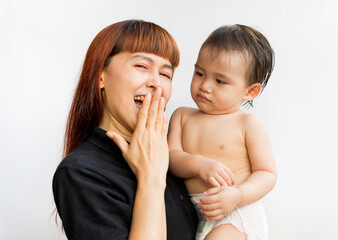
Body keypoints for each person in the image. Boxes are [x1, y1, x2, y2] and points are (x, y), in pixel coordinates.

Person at [53, 20, 198, 240]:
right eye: (142, 66)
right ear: (101, 75)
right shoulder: (81, 172)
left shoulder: (174, 157)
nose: (156, 83)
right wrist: (151, 178)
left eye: (166, 75)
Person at [167, 24, 277, 240]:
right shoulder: (182, 116)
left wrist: (237, 195)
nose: (205, 85)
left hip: (235, 214)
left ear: (249, 91)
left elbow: (267, 174)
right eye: (199, 73)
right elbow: (170, 158)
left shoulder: (247, 124)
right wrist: (200, 165)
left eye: (220, 81)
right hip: (197, 215)